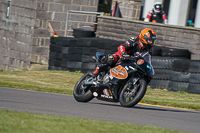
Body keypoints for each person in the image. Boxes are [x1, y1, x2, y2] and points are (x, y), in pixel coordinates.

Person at [92, 28, 157, 77]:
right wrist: (123, 54)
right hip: (122, 57)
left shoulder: (149, 50)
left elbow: (147, 60)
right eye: (150, 40)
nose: (151, 42)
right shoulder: (134, 41)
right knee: (111, 58)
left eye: (152, 40)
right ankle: (95, 73)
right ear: (143, 38)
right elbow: (122, 47)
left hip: (132, 63)